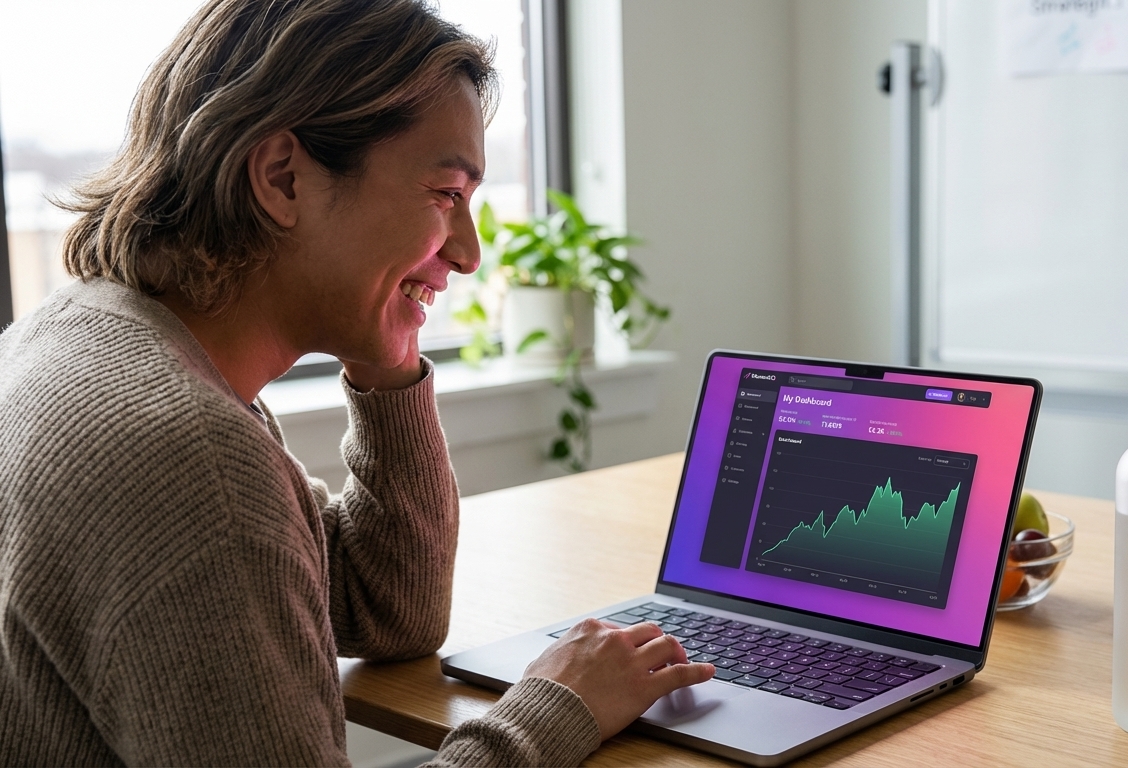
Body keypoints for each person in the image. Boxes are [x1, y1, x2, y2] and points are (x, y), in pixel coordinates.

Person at [0, 0, 713, 765]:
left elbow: (390, 610)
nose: (469, 253)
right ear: (282, 178)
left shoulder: (84, 336)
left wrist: (387, 355)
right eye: (446, 194)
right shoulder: (190, 456)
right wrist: (557, 707)